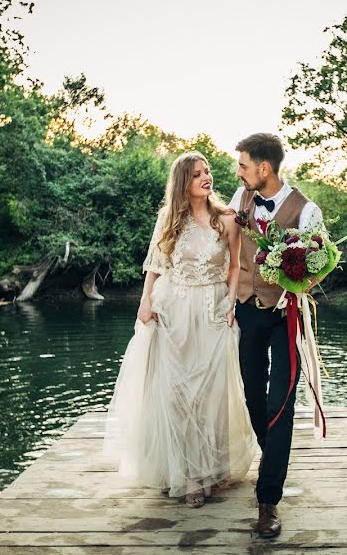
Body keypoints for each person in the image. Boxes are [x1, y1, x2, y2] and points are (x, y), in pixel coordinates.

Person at [102, 151, 257, 508]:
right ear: (183, 183)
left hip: (212, 309)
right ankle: (188, 477)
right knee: (177, 393)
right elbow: (156, 264)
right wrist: (145, 302)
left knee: (211, 394)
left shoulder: (227, 219)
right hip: (174, 308)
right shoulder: (169, 219)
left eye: (208, 172)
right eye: (197, 174)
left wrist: (230, 302)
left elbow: (235, 266)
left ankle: (211, 469)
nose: (207, 178)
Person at [228, 133, 325, 538]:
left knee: (279, 402)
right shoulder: (241, 198)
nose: (239, 172)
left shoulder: (307, 211)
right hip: (248, 311)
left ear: (263, 168)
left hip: (286, 315)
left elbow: (321, 263)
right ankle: (275, 458)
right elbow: (221, 234)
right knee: (253, 397)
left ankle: (268, 500)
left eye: (244, 165)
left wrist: (297, 281)